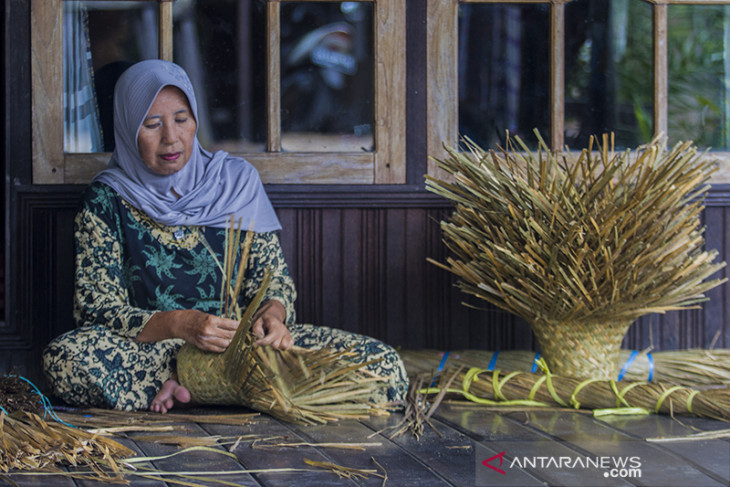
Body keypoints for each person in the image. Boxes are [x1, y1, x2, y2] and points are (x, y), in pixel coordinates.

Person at [42, 59, 408, 413]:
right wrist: (178, 324)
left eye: (182, 120)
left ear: (195, 120)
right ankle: (222, 386)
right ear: (125, 128)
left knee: (384, 367)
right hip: (158, 354)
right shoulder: (107, 199)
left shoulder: (234, 182)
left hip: (246, 349)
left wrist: (274, 317)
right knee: (66, 360)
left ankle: (196, 387)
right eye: (152, 125)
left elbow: (273, 281)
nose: (171, 138)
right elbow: (97, 309)